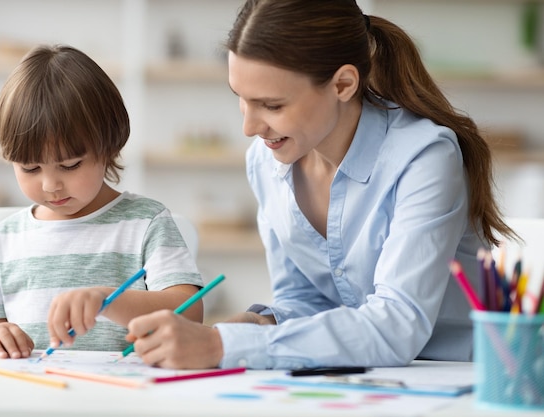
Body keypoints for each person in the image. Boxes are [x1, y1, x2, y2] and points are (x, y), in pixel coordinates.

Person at [124, 0, 517, 370]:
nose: (249, 127)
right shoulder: (266, 161)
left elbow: (398, 325)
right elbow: (306, 301)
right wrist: (257, 325)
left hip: (461, 377)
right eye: (241, 100)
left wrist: (222, 346)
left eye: (272, 105)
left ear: (343, 84)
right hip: (361, 377)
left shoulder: (424, 157)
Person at [0, 44, 204, 359]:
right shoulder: (3, 240)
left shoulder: (146, 222)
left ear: (109, 145)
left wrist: (109, 300)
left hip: (126, 396)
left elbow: (190, 312)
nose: (50, 185)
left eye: (70, 165)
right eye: (30, 168)